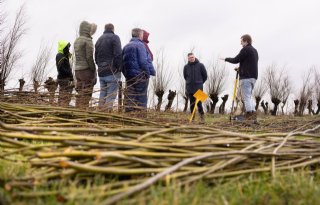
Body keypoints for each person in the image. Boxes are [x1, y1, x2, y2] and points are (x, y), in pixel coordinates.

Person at [220, 34, 259, 121]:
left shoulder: (245, 49)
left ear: (246, 41)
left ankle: (249, 115)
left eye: (241, 41)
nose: (241, 43)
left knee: (246, 97)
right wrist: (241, 68)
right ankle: (253, 114)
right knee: (249, 96)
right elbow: (250, 63)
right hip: (253, 77)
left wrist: (225, 59)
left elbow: (235, 60)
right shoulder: (255, 51)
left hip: (246, 77)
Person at [122, 28, 155, 112]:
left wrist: (126, 74)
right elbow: (143, 61)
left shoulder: (126, 46)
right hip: (140, 76)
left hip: (129, 76)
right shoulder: (140, 45)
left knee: (130, 96)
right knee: (141, 97)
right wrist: (147, 74)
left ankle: (129, 115)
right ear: (140, 35)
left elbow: (122, 63)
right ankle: (141, 115)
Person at [95, 23, 122, 111]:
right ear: (113, 29)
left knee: (103, 93)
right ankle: (105, 115)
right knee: (111, 95)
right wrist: (118, 68)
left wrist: (100, 66)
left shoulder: (98, 40)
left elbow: (96, 57)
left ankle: (99, 113)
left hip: (101, 72)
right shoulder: (115, 38)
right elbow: (118, 54)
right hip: (111, 71)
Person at [74, 21, 97, 108]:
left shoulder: (77, 40)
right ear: (87, 29)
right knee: (86, 93)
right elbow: (89, 57)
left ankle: (77, 111)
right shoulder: (88, 40)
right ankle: (83, 111)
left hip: (77, 70)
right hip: (86, 71)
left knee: (79, 92)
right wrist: (93, 69)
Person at [183, 53, 207, 123]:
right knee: (192, 103)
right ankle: (192, 118)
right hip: (190, 87)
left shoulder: (201, 65)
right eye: (190, 57)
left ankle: (202, 118)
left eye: (192, 57)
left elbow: (205, 76)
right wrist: (189, 82)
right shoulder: (186, 67)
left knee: (199, 103)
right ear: (188, 58)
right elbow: (185, 76)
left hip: (199, 87)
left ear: (195, 57)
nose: (191, 58)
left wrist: (200, 82)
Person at [56, 40, 74, 107]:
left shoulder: (62, 55)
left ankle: (62, 105)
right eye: (67, 47)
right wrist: (69, 74)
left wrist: (71, 76)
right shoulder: (60, 56)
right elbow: (62, 69)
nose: (68, 49)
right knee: (64, 94)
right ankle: (63, 106)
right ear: (64, 47)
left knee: (63, 94)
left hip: (63, 78)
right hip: (63, 79)